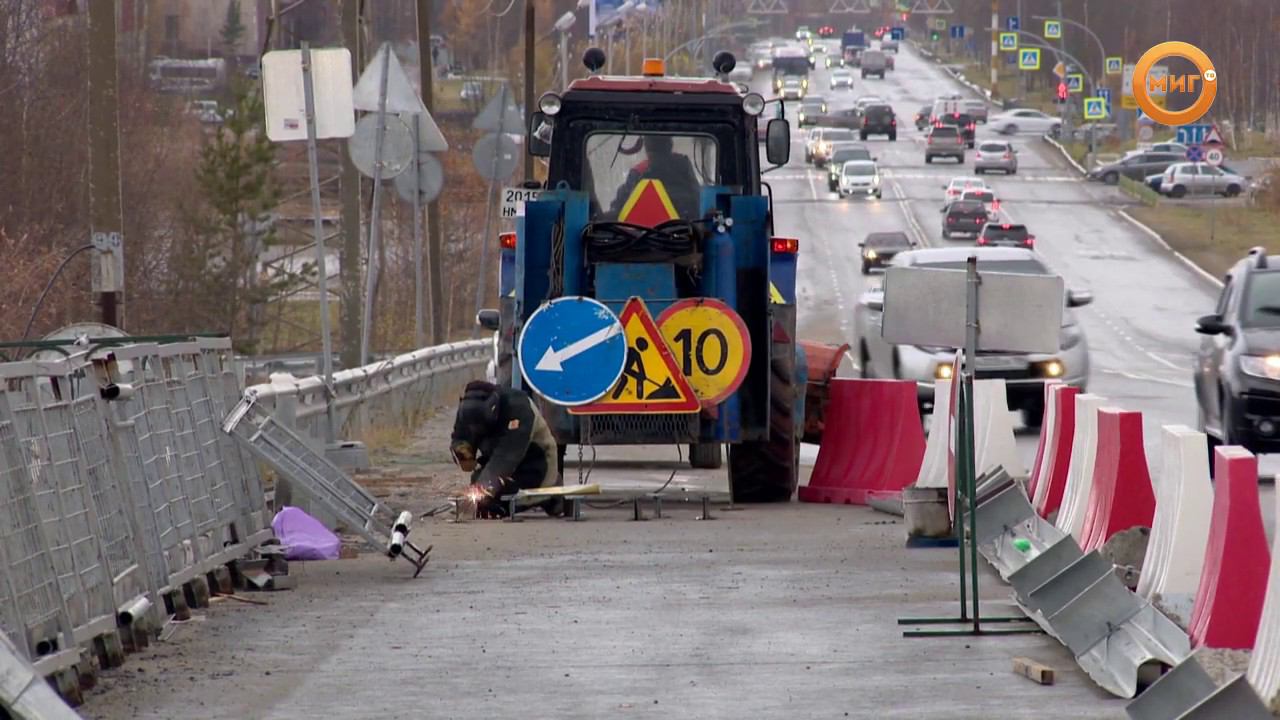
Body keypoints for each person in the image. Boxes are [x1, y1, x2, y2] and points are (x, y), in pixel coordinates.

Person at [449, 381, 563, 518]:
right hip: (495, 461)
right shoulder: (466, 411)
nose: (476, 429)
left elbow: (507, 457)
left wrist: (483, 488)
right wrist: (462, 452)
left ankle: (552, 494)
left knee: (499, 498)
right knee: (482, 493)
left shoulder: (518, 407)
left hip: (534, 462)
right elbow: (459, 438)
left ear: (493, 408)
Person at [609, 134, 702, 221]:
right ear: (670, 145)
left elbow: (618, 212)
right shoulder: (684, 169)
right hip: (684, 235)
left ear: (646, 148)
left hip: (638, 236)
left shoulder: (638, 172)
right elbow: (699, 205)